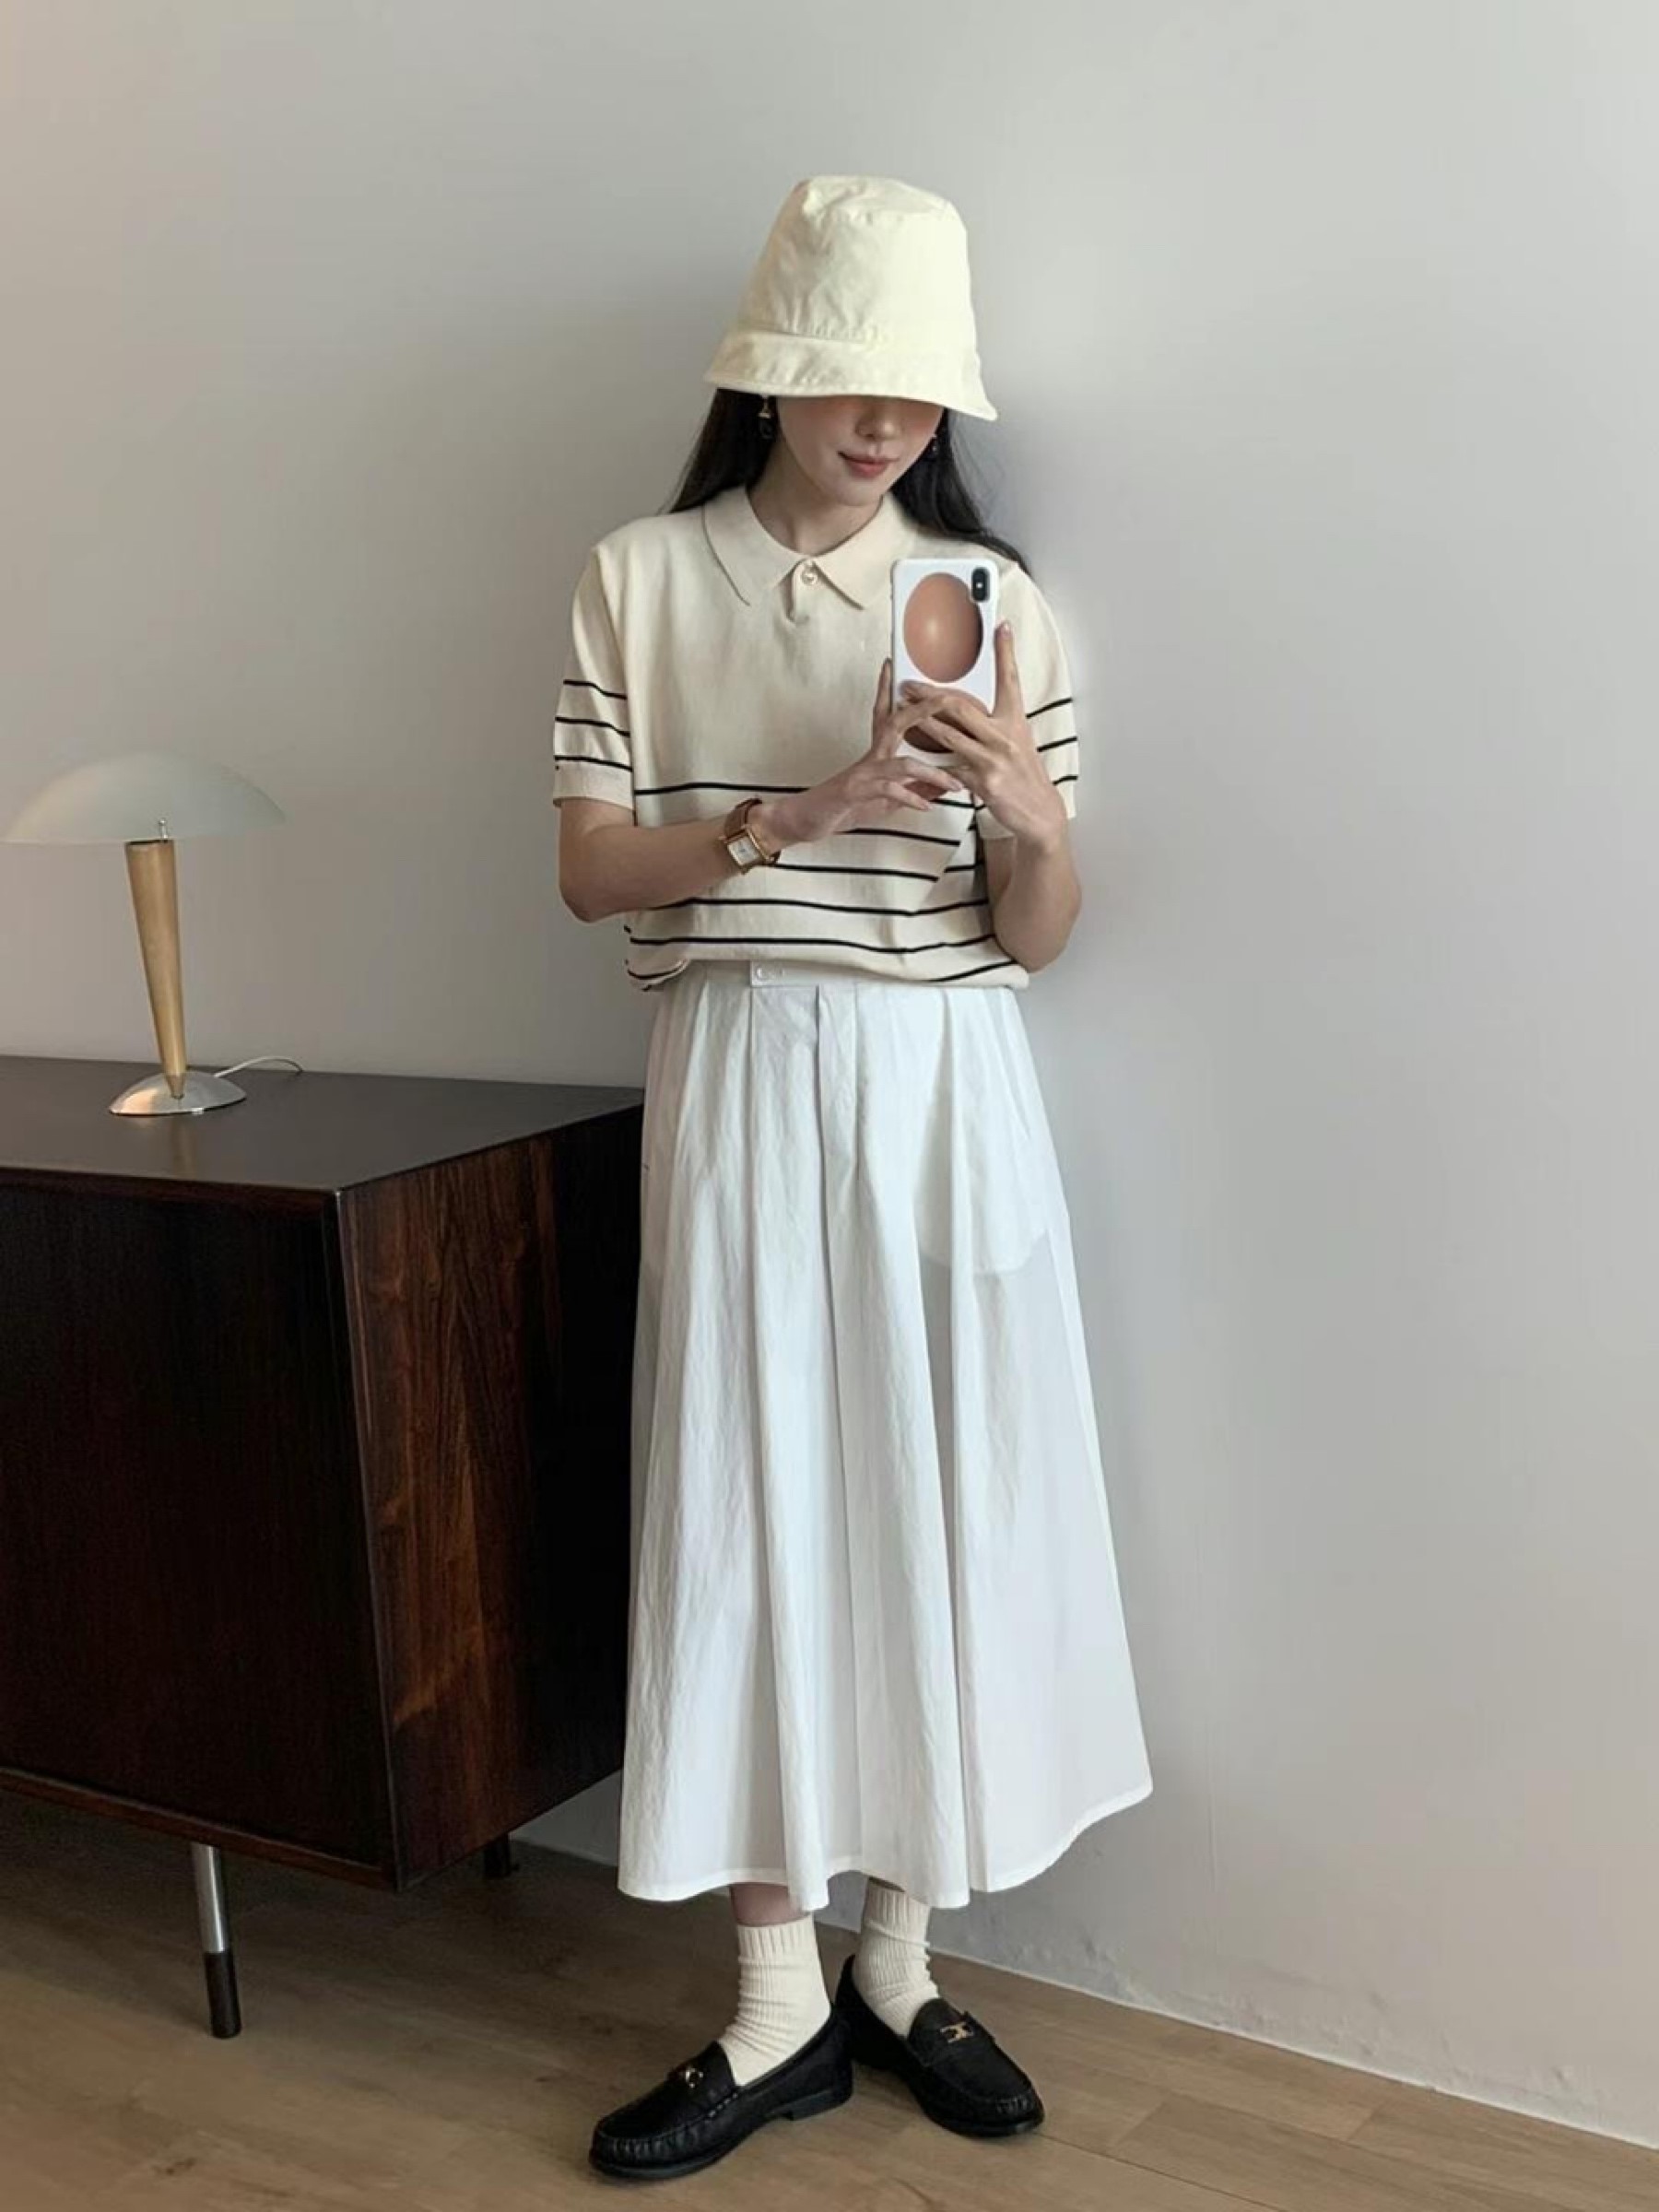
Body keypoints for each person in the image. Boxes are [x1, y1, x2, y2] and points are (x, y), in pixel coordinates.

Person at [550, 174, 1153, 2184]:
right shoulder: (640, 578)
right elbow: (589, 872)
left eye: (915, 387)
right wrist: (796, 814)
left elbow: (1034, 936)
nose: (881, 418)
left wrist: (1033, 815)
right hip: (741, 1054)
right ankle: (771, 1997)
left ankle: (898, 1962)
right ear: (765, 375)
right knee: (746, 1482)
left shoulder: (999, 601)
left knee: (941, 1480)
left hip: (946, 1074)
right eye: (842, 376)